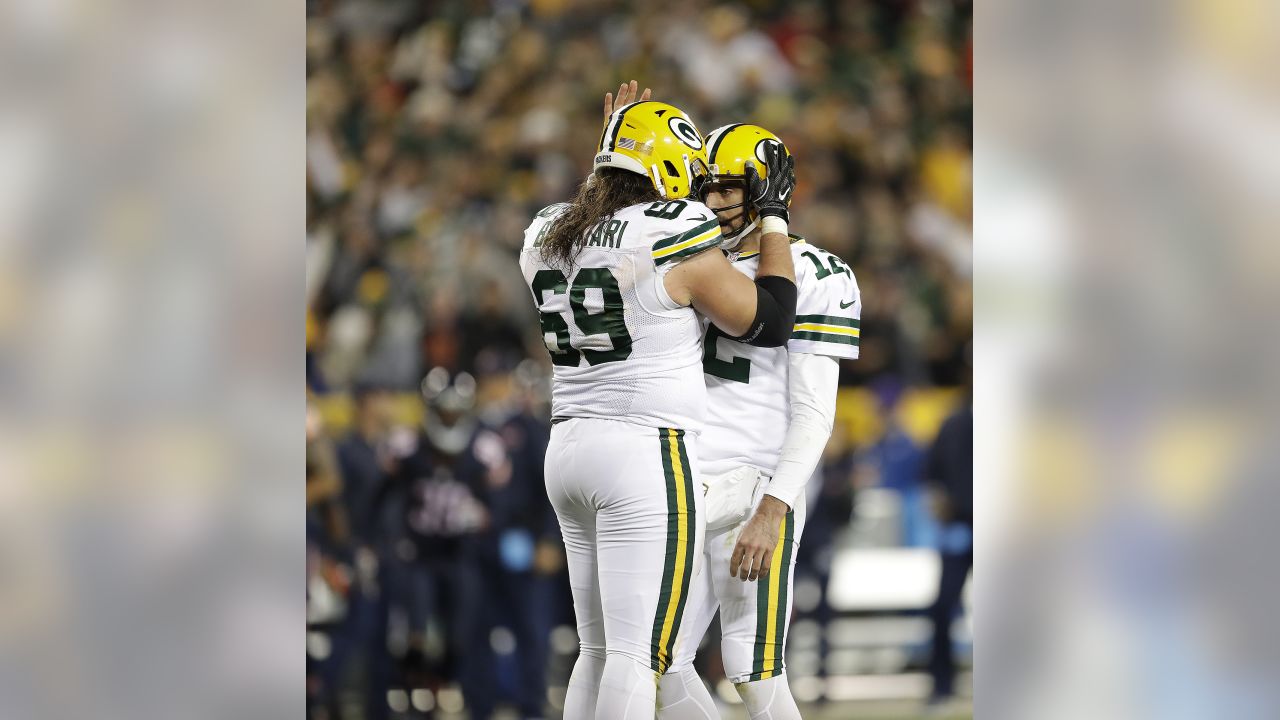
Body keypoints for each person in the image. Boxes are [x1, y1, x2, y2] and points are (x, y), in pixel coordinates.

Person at [518, 81, 799, 719]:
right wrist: (775, 215)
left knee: (595, 647)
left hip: (567, 448)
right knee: (637, 653)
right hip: (644, 451)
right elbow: (770, 320)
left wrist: (613, 144)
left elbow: (596, 214)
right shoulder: (673, 229)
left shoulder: (545, 233)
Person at [652, 123, 863, 720]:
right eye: (706, 187)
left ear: (768, 187)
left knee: (751, 663)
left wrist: (774, 507)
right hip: (683, 479)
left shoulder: (817, 272)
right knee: (657, 660)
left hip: (753, 482)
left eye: (730, 187)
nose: (714, 201)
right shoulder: (689, 260)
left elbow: (816, 414)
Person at [923, 393, 973, 707]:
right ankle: (942, 686)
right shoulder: (953, 423)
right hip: (959, 526)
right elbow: (932, 473)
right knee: (943, 606)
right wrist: (940, 502)